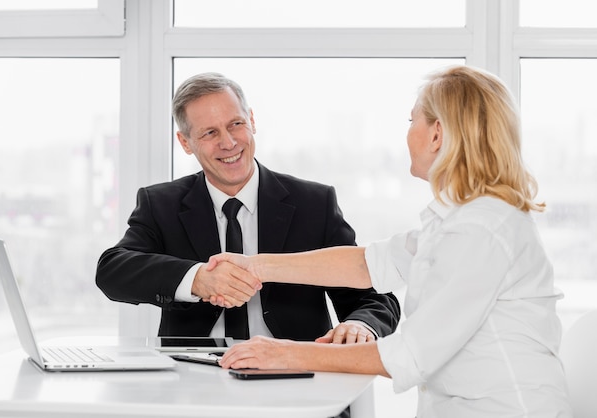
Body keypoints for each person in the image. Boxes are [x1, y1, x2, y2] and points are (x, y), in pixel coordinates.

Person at [210, 66, 573, 417]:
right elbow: (367, 264)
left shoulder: (481, 229)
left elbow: (409, 354)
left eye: (412, 120)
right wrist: (254, 265)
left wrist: (286, 354)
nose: (407, 133)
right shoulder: (461, 219)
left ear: (436, 135)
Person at [95, 72, 400, 345]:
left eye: (235, 124)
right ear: (185, 142)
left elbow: (373, 297)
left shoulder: (313, 203)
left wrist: (361, 324)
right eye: (210, 133)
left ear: (252, 121)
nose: (228, 143)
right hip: (192, 385)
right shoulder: (160, 204)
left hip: (295, 379)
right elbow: (113, 270)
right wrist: (196, 278)